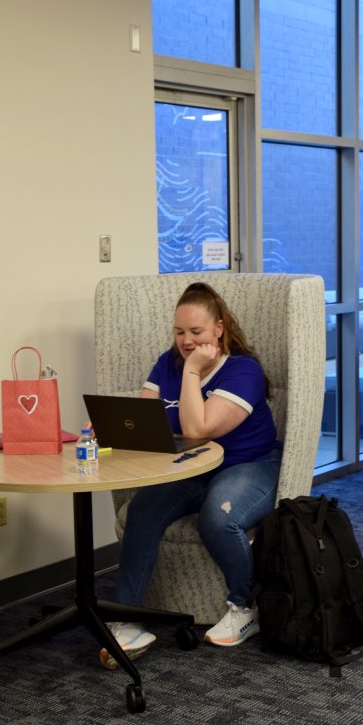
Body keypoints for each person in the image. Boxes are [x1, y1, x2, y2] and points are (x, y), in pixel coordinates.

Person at [104, 282, 281, 668]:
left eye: (196, 332)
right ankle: (128, 620)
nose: (185, 341)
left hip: (249, 465)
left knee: (218, 517)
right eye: (179, 332)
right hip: (193, 468)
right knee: (143, 510)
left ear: (219, 328)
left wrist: (192, 372)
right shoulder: (167, 362)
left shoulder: (242, 371)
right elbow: (144, 419)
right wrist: (111, 428)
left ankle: (243, 606)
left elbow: (197, 428)